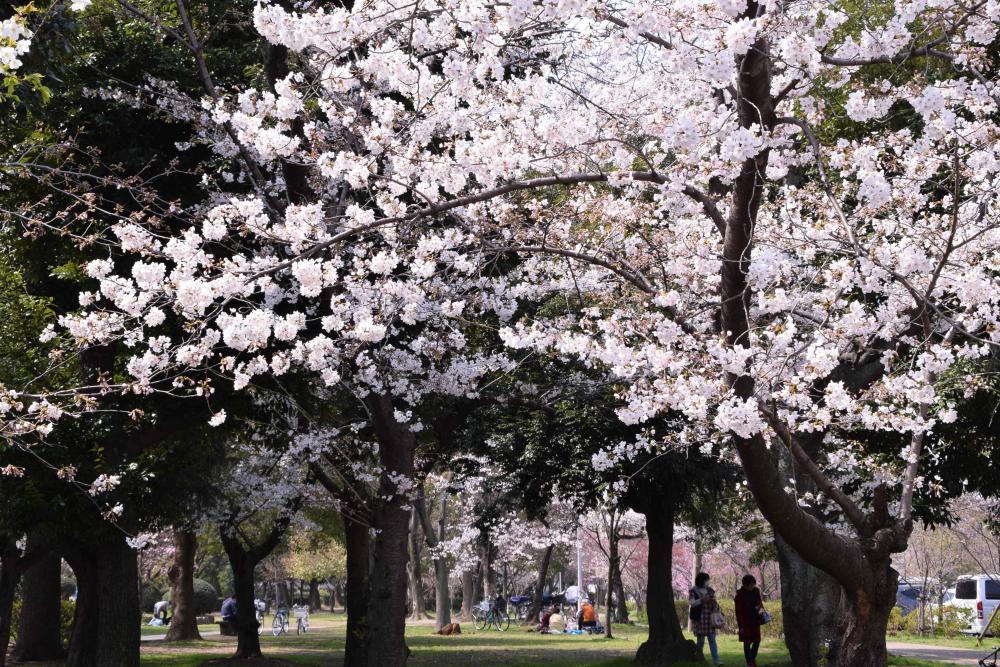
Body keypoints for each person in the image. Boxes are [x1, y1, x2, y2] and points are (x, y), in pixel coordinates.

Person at [689, 572, 721, 666]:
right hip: (699, 618)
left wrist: (712, 601)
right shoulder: (693, 590)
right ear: (702, 580)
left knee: (712, 640)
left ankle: (716, 661)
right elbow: (692, 603)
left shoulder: (710, 590)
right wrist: (702, 600)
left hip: (709, 618)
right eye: (707, 580)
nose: (708, 581)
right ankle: (698, 657)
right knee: (701, 641)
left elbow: (715, 602)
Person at [734, 574, 765, 667]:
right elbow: (738, 611)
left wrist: (762, 613)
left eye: (753, 584)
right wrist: (740, 626)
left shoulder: (756, 591)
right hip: (745, 621)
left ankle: (752, 659)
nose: (753, 586)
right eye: (751, 585)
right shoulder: (739, 594)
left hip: (755, 620)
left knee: (757, 640)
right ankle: (750, 662)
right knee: (747, 642)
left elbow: (760, 603)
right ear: (745, 585)